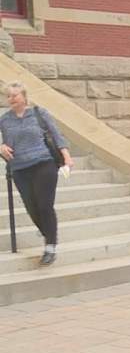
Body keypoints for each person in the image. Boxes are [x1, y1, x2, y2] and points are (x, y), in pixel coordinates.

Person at [0, 81, 73, 266]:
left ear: (24, 96)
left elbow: (56, 135)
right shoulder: (4, 119)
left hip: (43, 164)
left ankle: (50, 246)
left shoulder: (39, 114)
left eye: (14, 95)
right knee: (31, 207)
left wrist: (66, 155)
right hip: (19, 168)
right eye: (8, 96)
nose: (11, 99)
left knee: (44, 206)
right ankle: (49, 231)